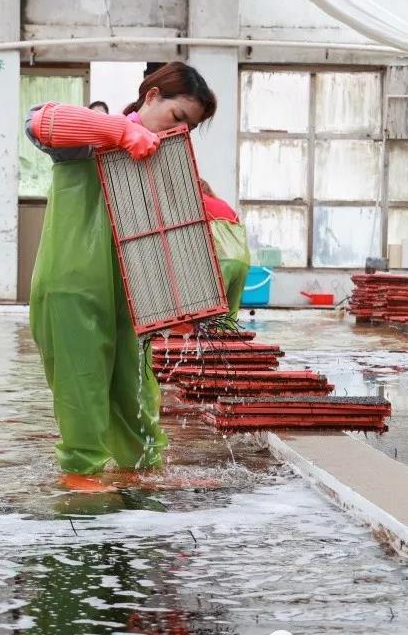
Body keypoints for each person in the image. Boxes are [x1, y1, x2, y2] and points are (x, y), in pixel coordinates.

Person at [25, 62, 217, 485]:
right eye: (177, 118)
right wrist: (120, 131)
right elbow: (39, 121)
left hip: (129, 292)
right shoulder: (89, 141)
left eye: (189, 127)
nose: (178, 131)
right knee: (82, 381)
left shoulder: (161, 161)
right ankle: (80, 474)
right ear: (152, 97)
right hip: (71, 284)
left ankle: (142, 468)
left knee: (136, 386)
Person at [199, 179, 250, 321]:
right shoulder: (224, 204)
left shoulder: (198, 201)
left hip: (222, 260)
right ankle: (231, 340)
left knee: (208, 316)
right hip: (243, 261)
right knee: (230, 317)